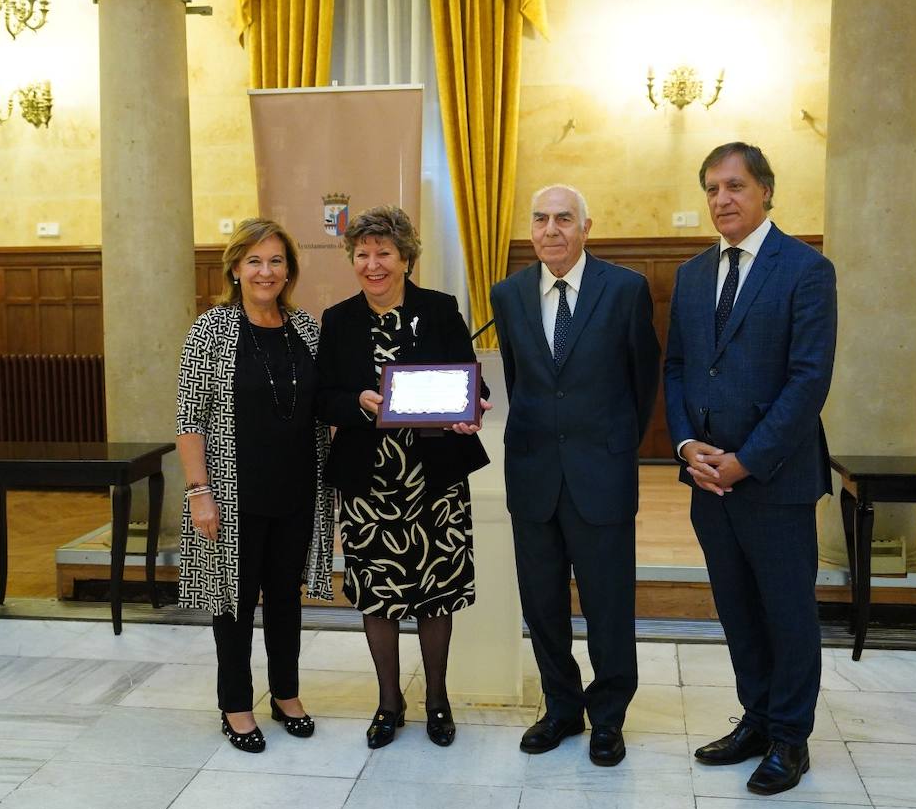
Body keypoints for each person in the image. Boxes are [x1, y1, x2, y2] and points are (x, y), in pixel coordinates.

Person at [664, 142, 837, 795]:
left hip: (776, 478)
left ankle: (791, 738)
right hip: (707, 480)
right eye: (711, 188)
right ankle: (758, 719)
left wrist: (746, 460)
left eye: (734, 185)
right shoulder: (690, 274)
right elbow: (678, 366)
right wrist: (686, 446)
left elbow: (809, 379)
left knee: (787, 613)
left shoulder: (806, 269)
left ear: (765, 190)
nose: (721, 199)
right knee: (737, 608)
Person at [489, 184, 661, 768]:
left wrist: (612, 447)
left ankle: (608, 717)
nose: (552, 230)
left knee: (608, 604)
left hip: (601, 474)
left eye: (564, 219)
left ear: (587, 226)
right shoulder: (508, 293)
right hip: (533, 473)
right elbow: (519, 378)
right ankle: (561, 707)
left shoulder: (626, 289)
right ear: (530, 229)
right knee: (541, 604)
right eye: (541, 220)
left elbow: (644, 384)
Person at [315, 204, 490, 750]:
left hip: (435, 478)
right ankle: (389, 701)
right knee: (379, 596)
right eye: (363, 253)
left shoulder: (439, 309)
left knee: (436, 593)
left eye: (384, 253)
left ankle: (437, 699)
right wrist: (357, 402)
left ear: (406, 258)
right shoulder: (338, 319)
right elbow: (323, 397)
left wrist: (472, 408)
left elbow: (471, 383)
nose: (373, 264)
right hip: (370, 483)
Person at [175, 218, 335, 754]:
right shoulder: (210, 330)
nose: (266, 272)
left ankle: (286, 694)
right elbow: (189, 421)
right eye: (255, 262)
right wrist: (199, 492)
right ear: (235, 269)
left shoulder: (308, 329)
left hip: (298, 491)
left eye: (276, 261)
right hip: (231, 494)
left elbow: (326, 406)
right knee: (234, 604)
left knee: (286, 601)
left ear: (289, 269)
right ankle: (236, 704)